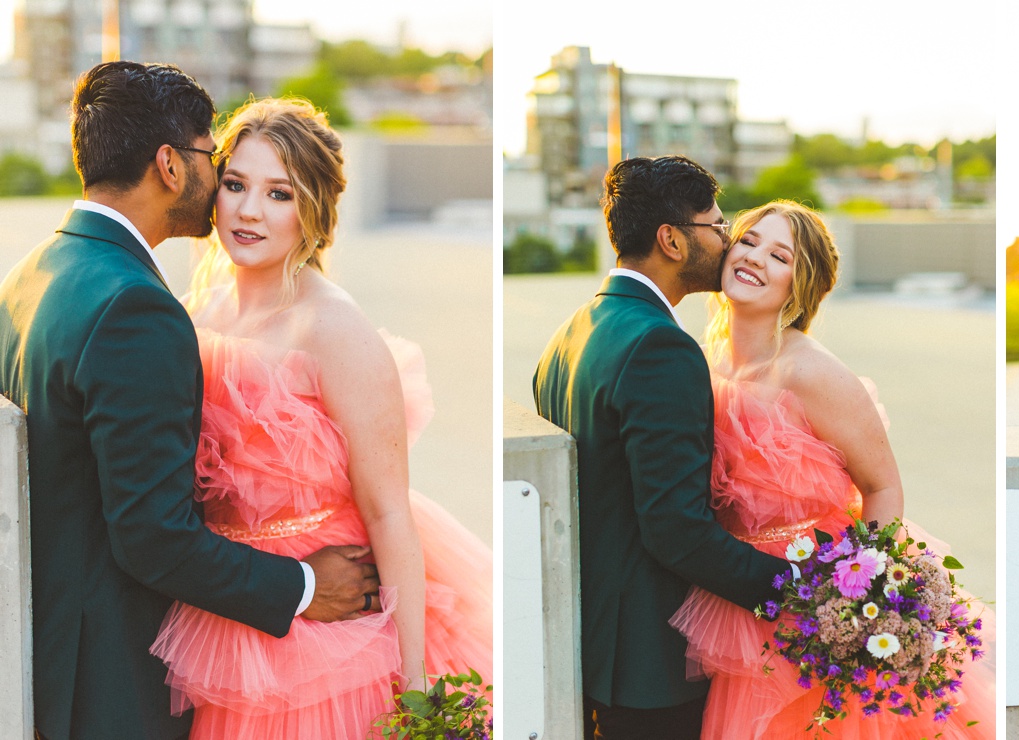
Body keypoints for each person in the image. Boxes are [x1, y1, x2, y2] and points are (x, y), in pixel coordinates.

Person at [0, 62, 377, 740]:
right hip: (111, 684)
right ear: (171, 165)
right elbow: (153, 538)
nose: (222, 184)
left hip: (46, 649)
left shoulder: (32, 274)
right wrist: (304, 588)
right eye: (216, 159)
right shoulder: (135, 309)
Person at [146, 97, 492, 738]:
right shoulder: (199, 311)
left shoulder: (334, 327)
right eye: (236, 184)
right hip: (232, 605)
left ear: (312, 213)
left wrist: (416, 692)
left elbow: (389, 510)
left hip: (331, 629)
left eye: (279, 194)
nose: (249, 210)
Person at [667, 200, 997, 738]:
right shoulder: (707, 357)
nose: (753, 259)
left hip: (815, 593)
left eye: (779, 256)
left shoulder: (813, 371)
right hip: (735, 588)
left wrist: (861, 604)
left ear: (801, 284)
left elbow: (883, 485)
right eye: (748, 242)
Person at [533, 155, 789, 739]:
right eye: (717, 227)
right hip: (651, 664)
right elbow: (676, 529)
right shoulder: (660, 348)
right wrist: (801, 592)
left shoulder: (571, 331)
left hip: (596, 648)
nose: (727, 243)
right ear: (672, 240)